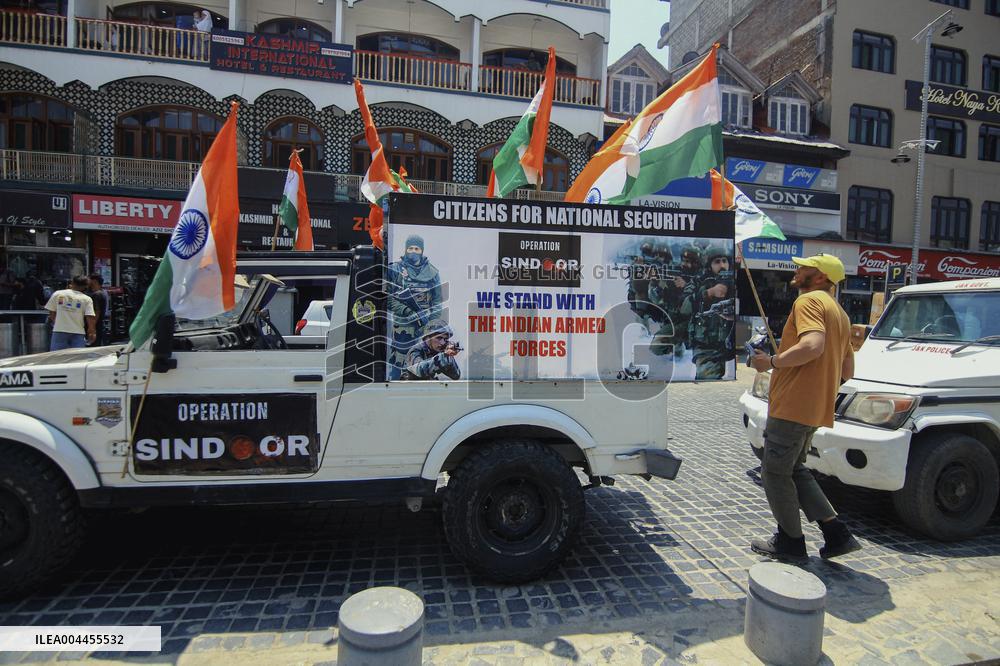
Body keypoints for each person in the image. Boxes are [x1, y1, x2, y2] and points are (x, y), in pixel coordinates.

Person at [749, 254, 861, 563]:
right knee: (794, 469)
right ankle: (836, 533)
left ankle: (790, 542)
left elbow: (813, 346)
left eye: (805, 267)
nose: (797, 270)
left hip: (793, 405)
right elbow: (848, 369)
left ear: (822, 277)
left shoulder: (810, 301)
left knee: (774, 472)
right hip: (815, 407)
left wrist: (771, 361)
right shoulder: (839, 312)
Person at [387, 234, 442, 379]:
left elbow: (437, 302)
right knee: (398, 364)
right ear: (405, 249)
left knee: (425, 363)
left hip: (425, 326)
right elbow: (387, 298)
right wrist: (407, 311)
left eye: (417, 248)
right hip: (403, 327)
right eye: (410, 248)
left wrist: (431, 324)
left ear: (422, 250)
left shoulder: (432, 272)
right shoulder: (395, 269)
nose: (413, 251)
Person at [45, 275, 96, 351]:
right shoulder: (87, 299)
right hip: (78, 332)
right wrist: (92, 332)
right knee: (77, 357)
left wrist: (58, 322)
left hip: (60, 330)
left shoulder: (58, 294)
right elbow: (90, 317)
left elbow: (52, 312)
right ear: (86, 286)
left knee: (57, 356)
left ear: (72, 283)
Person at [88, 274, 110, 346]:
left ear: (94, 281)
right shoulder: (104, 292)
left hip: (96, 324)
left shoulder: (96, 294)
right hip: (101, 323)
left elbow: (97, 311)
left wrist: (92, 327)